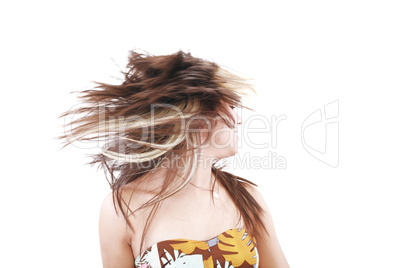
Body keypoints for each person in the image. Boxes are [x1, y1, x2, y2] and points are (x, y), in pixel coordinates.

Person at [57, 49, 290, 267]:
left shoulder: (247, 198)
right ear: (197, 119)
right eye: (229, 105)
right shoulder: (121, 210)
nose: (238, 119)